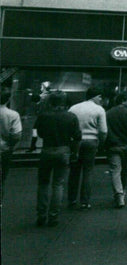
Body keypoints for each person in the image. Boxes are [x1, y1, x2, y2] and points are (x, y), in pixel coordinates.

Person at [33, 91, 81, 227]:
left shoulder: (43, 116)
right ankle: (53, 216)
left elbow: (39, 133)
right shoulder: (71, 117)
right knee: (58, 184)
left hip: (47, 150)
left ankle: (41, 215)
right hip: (63, 150)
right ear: (64, 102)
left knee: (43, 184)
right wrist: (74, 153)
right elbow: (77, 137)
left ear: (50, 101)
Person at [68, 85, 108, 209]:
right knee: (88, 171)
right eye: (100, 97)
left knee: (74, 171)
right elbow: (103, 131)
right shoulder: (99, 109)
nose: (101, 100)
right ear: (96, 97)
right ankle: (84, 201)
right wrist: (101, 144)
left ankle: (72, 199)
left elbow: (69, 127)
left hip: (76, 142)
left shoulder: (73, 108)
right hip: (91, 141)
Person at [105, 93, 127, 208]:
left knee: (115, 170)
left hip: (113, 146)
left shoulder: (108, 113)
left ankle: (118, 194)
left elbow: (105, 130)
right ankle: (123, 192)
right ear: (123, 101)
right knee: (125, 170)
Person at [1, 88, 23, 198]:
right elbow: (16, 135)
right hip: (4, 150)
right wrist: (11, 146)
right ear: (8, 99)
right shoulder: (13, 114)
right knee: (1, 179)